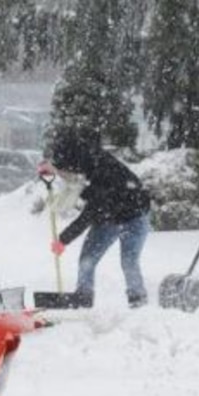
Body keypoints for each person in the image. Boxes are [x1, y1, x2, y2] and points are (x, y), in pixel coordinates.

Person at [43, 130, 152, 309]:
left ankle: (138, 300)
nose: (64, 174)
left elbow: (88, 215)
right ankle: (83, 297)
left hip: (135, 216)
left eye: (65, 170)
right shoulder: (86, 161)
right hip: (110, 215)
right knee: (87, 259)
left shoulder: (101, 173)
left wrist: (63, 239)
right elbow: (72, 187)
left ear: (73, 164)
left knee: (128, 260)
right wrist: (51, 167)